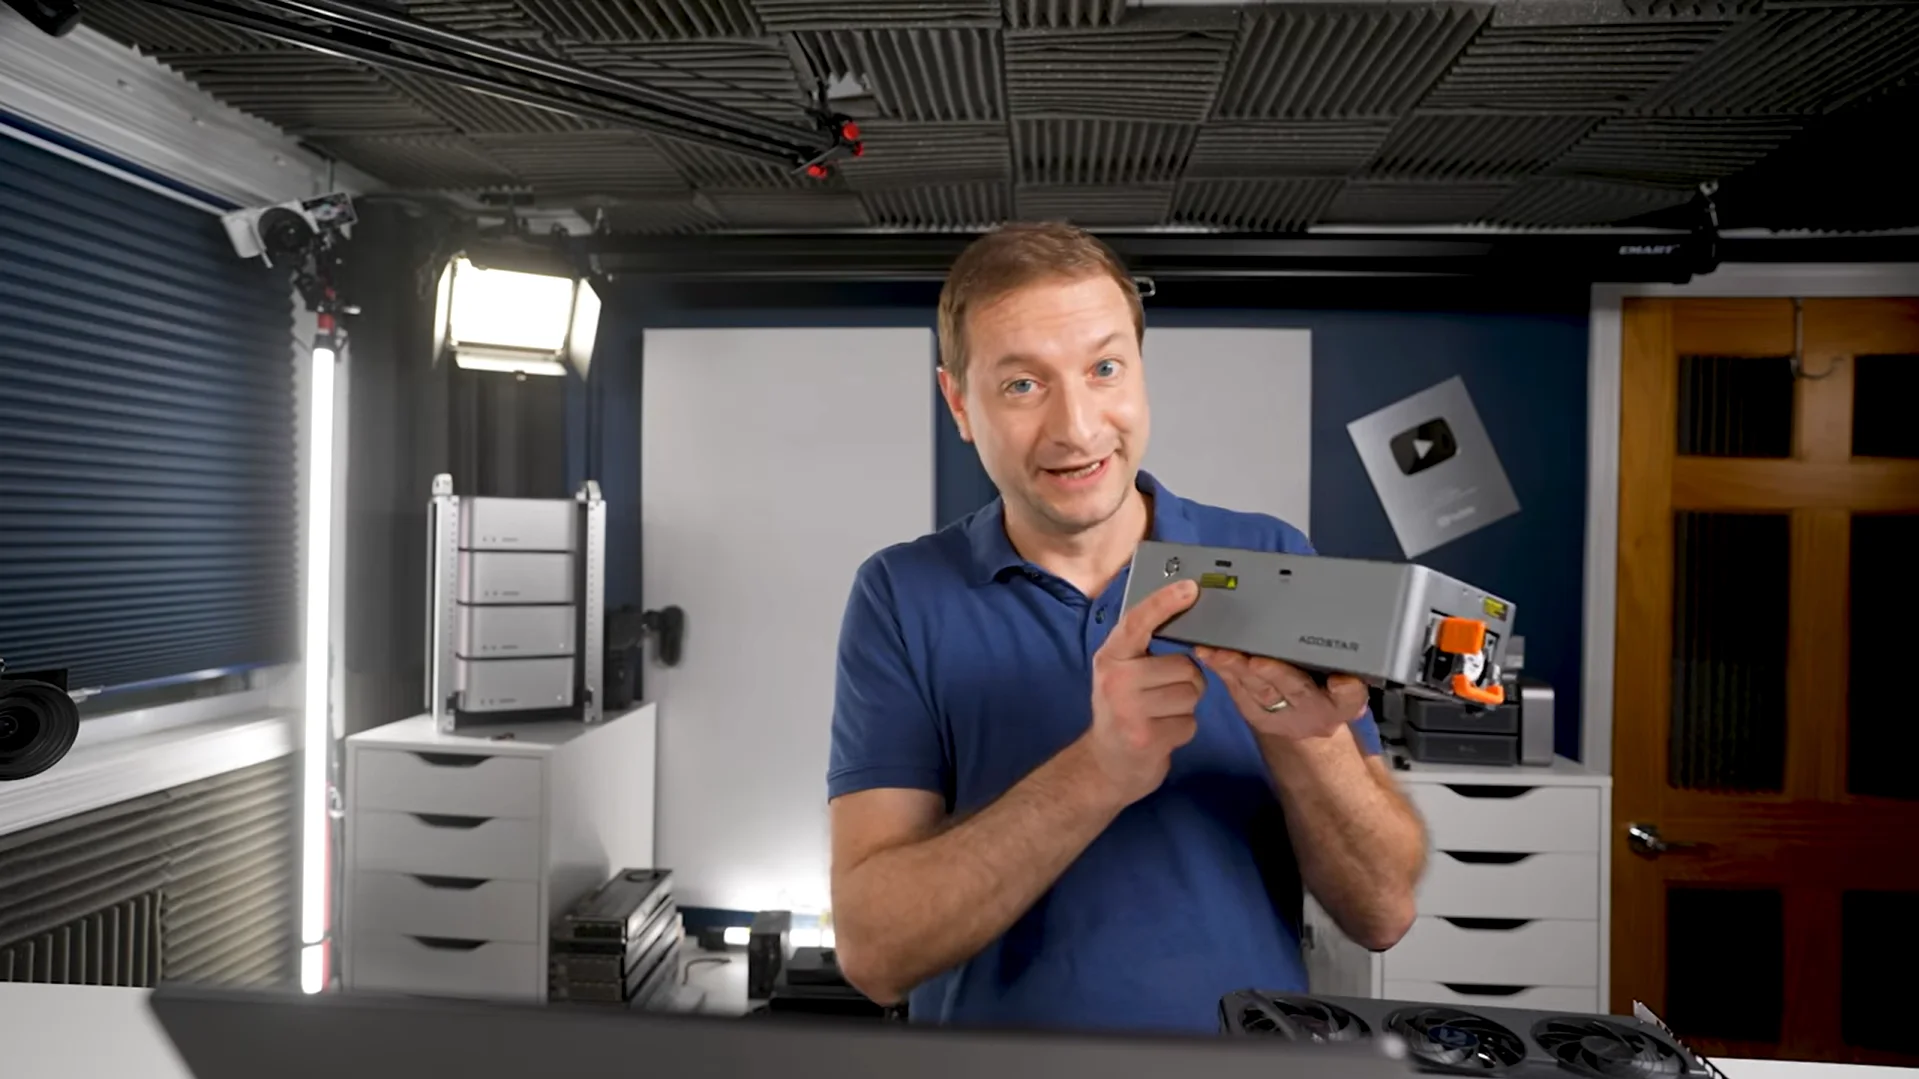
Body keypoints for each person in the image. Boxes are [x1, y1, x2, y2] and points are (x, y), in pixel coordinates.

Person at [824, 222, 1427, 1035]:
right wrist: (1101, 769)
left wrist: (1310, 742)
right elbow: (874, 952)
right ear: (960, 403)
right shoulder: (901, 594)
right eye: (1022, 385)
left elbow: (1382, 910)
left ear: (1141, 372)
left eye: (1103, 369)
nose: (1076, 428)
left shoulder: (1272, 557)